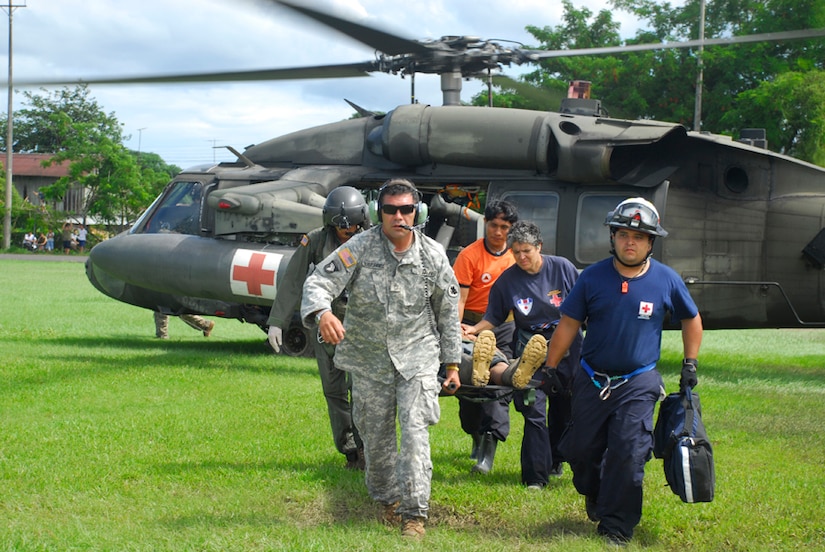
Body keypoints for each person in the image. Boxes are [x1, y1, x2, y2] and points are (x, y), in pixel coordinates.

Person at [301, 178, 462, 539]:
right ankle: (388, 501)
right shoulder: (359, 247)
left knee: (415, 436)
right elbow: (318, 282)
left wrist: (451, 364)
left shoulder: (432, 255)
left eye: (406, 209)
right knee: (375, 440)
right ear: (378, 212)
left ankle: (414, 513)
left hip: (417, 358)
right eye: (390, 209)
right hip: (369, 361)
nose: (399, 216)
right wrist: (324, 313)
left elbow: (448, 311)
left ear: (417, 212)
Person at [544, 197, 703, 545]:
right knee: (582, 451)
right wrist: (551, 367)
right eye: (624, 234)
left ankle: (617, 525)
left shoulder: (666, 280)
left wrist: (689, 363)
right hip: (591, 377)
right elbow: (569, 324)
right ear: (613, 237)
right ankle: (595, 492)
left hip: (639, 380)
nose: (630, 242)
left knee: (629, 452)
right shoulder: (591, 278)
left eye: (640, 237)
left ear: (650, 243)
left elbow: (691, 319)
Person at [463, 220, 582, 489]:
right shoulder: (508, 280)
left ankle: (555, 459)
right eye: (515, 252)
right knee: (534, 412)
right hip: (530, 353)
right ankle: (534, 478)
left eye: (526, 251)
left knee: (564, 409)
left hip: (567, 347)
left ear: (539, 247)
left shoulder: (562, 268)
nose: (521, 257)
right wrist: (473, 330)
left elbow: (585, 307)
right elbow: (493, 317)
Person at [267, 186, 370, 470]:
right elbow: (293, 280)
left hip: (363, 325)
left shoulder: (374, 240)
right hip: (328, 326)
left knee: (362, 391)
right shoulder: (315, 240)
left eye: (350, 228)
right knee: (334, 391)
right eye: (340, 229)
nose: (345, 234)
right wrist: (277, 322)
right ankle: (350, 451)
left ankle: (368, 448)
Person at [451, 199, 519, 474]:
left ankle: (489, 449)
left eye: (504, 226)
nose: (498, 231)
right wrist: (456, 329)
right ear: (485, 224)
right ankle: (475, 435)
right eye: (494, 225)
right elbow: (459, 300)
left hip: (505, 327)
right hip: (471, 326)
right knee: (470, 387)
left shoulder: (517, 256)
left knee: (498, 385)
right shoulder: (469, 256)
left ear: (510, 228)